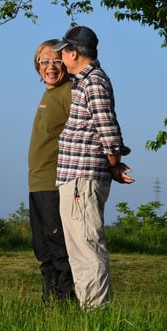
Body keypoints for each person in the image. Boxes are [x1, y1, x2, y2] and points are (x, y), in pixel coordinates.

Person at [52, 26, 134, 309]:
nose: (61, 58)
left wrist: (113, 164)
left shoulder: (93, 82)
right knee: (80, 249)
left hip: (82, 180)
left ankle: (96, 313)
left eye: (64, 52)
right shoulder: (86, 81)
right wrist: (112, 164)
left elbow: (107, 130)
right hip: (77, 178)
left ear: (74, 53)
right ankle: (90, 310)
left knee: (87, 248)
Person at [28, 39, 76, 303]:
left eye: (57, 61)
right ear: (37, 66)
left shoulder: (69, 92)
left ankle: (66, 301)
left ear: (66, 64)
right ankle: (49, 300)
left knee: (59, 246)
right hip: (37, 182)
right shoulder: (49, 94)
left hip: (55, 182)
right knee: (42, 246)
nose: (51, 67)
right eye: (44, 61)